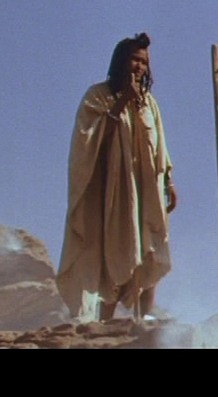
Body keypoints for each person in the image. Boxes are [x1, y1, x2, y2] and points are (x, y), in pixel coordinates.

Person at [56, 32, 177, 322]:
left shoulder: (149, 103)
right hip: (113, 192)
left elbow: (160, 143)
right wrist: (122, 101)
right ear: (121, 61)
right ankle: (105, 321)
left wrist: (169, 182)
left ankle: (145, 318)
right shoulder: (97, 96)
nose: (139, 67)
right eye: (134, 59)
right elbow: (89, 142)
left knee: (150, 244)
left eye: (144, 62)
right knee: (115, 247)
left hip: (146, 189)